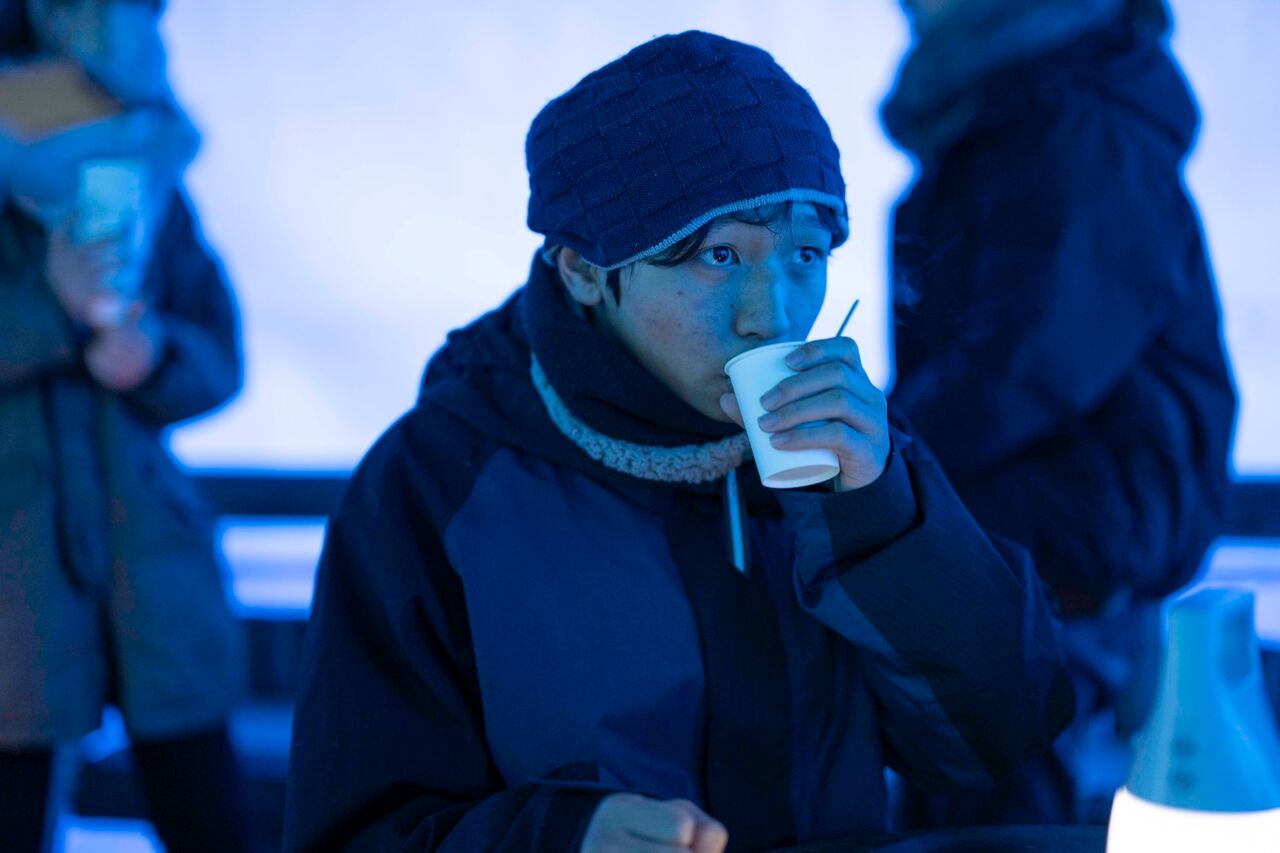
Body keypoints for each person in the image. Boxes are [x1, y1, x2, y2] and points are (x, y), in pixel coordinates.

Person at [284, 30, 1075, 852]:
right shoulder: (436, 483)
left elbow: (1002, 735)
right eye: (718, 255)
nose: (773, 314)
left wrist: (883, 513)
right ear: (584, 270)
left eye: (806, 253)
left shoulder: (854, 451)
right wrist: (561, 837)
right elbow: (352, 830)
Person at [882, 0, 1238, 825]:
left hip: (1062, 543)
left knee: (1001, 818)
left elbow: (1035, 356)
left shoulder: (1077, 121)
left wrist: (875, 450)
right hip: (1027, 544)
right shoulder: (1014, 110)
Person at [0, 1, 252, 850]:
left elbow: (221, 352)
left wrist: (155, 355)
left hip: (153, 576)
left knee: (208, 816)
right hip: (14, 596)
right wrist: (51, 310)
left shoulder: (145, 177)